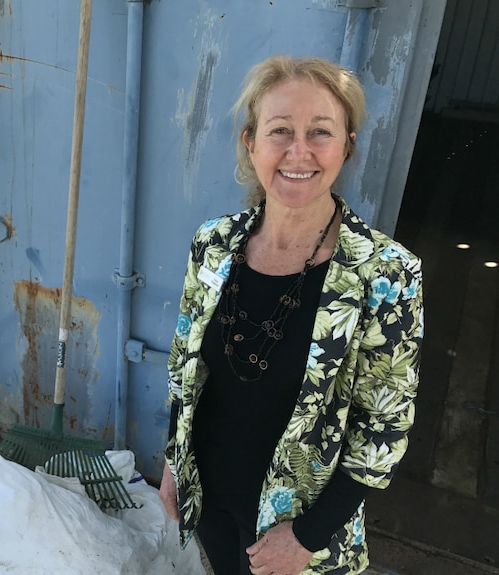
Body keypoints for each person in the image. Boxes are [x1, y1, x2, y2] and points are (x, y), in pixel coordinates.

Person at [158, 55, 424, 575]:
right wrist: (174, 460)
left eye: (320, 132)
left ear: (347, 145)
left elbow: (384, 430)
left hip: (298, 529)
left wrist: (306, 537)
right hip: (211, 497)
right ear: (250, 142)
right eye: (280, 130)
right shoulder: (213, 244)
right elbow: (184, 365)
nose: (298, 151)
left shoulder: (384, 274)